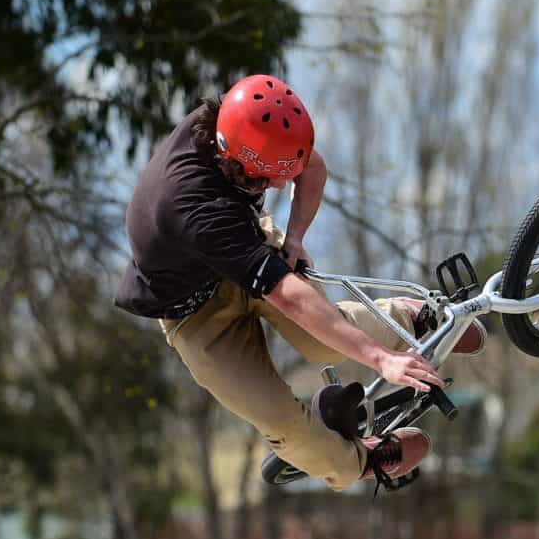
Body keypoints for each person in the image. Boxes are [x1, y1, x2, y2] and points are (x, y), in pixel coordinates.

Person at [114, 74, 483, 488]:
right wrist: (381, 359)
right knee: (281, 423)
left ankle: (412, 317)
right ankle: (362, 458)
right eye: (270, 178)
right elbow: (289, 298)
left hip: (246, 244)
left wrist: (294, 238)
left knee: (323, 341)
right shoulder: (193, 209)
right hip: (195, 314)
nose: (277, 184)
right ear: (235, 163)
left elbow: (312, 168)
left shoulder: (242, 119)